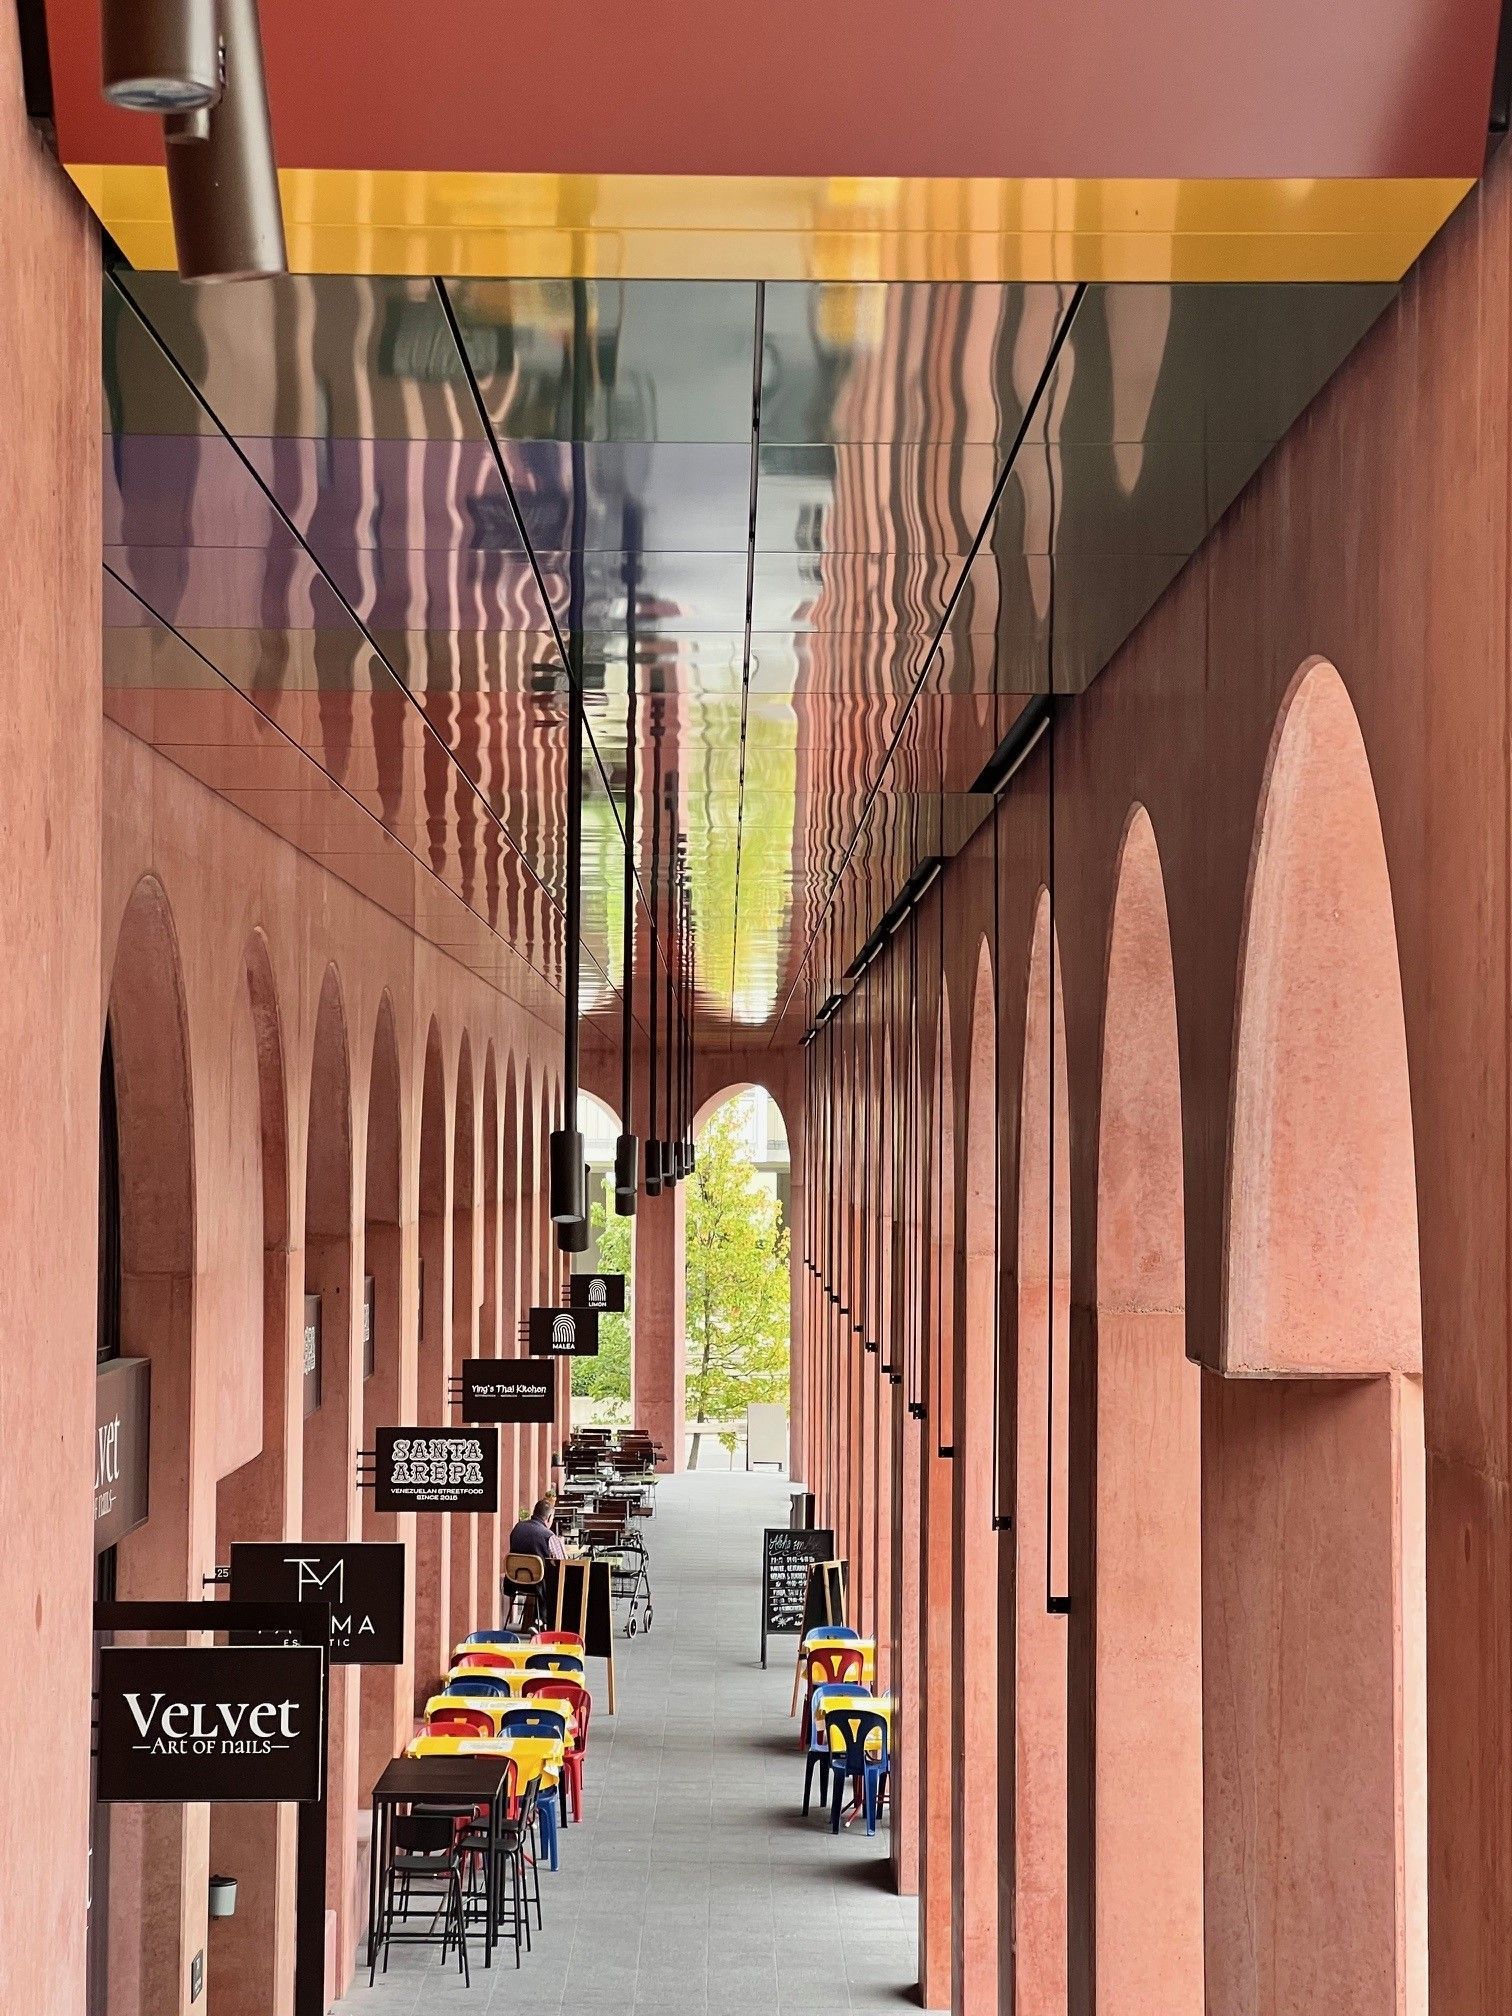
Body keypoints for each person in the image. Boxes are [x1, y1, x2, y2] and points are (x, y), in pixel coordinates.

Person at [508, 1496, 566, 1563]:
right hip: (541, 1573)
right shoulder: (549, 1537)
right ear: (549, 1517)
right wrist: (560, 1543)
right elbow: (563, 1563)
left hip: (515, 1572)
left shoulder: (518, 1527)